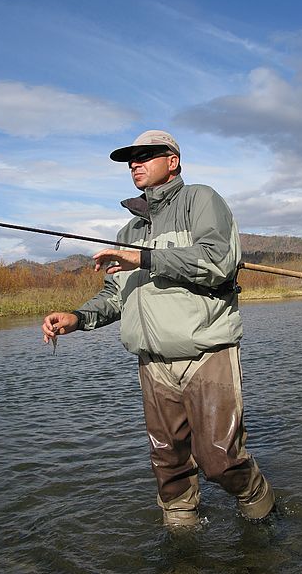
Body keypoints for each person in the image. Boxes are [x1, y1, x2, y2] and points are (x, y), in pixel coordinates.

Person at [42, 130, 274, 527]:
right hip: (151, 363)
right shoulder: (128, 232)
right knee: (167, 462)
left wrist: (144, 258)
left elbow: (217, 260)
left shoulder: (201, 200)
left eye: (146, 155)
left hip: (206, 353)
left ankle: (259, 506)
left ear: (173, 161)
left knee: (219, 459)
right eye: (131, 158)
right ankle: (182, 538)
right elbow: (116, 297)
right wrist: (77, 318)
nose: (135, 163)